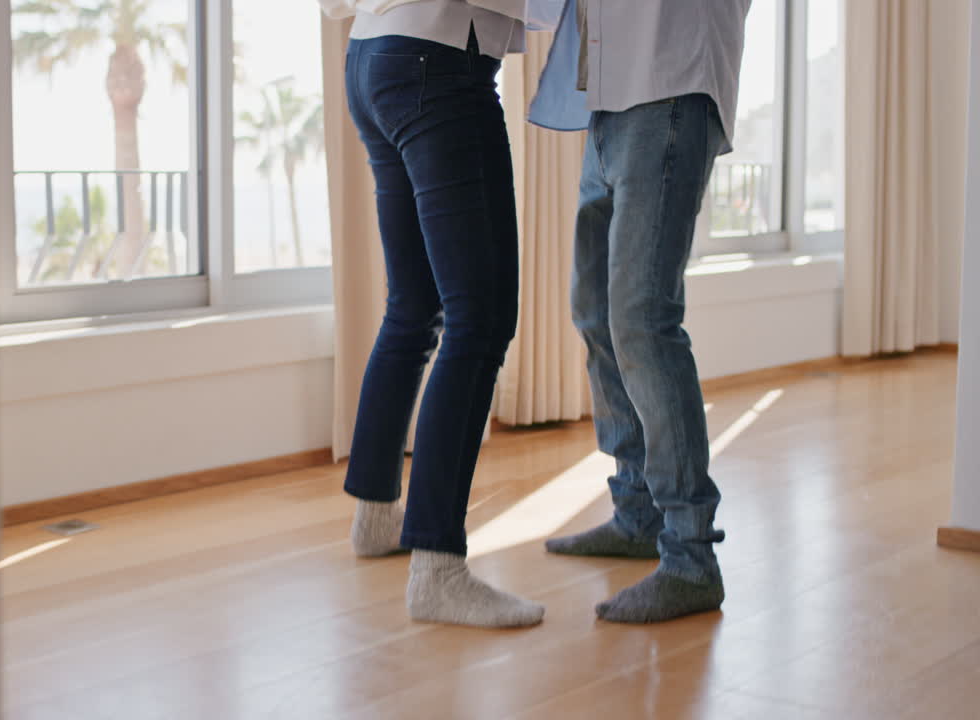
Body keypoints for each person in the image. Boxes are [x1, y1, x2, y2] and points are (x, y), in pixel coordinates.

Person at [320, 0, 543, 628]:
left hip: (372, 56)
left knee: (414, 306)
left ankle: (374, 517)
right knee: (481, 317)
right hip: (437, 60)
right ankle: (439, 569)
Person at [528, 0, 751, 623]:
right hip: (606, 96)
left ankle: (691, 558)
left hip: (668, 84)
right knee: (596, 312)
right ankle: (636, 513)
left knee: (641, 319)